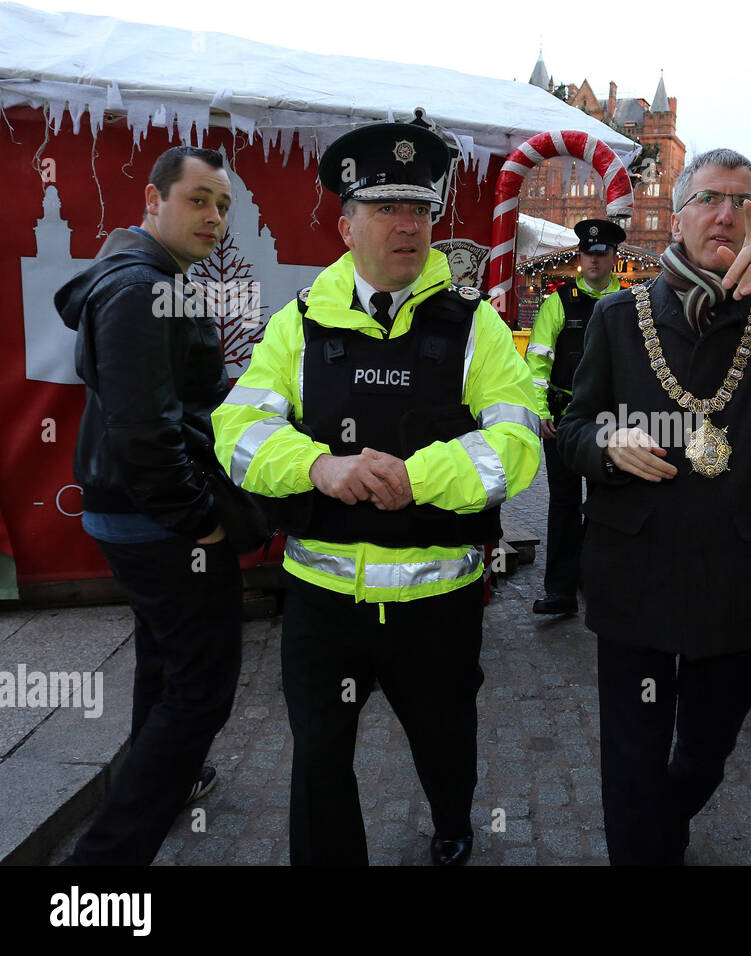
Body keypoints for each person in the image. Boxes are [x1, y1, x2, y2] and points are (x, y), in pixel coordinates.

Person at [212, 119, 541, 865]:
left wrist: (416, 477)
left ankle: (453, 823)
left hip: (439, 608)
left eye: (421, 210)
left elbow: (518, 445)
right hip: (324, 608)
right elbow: (236, 429)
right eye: (388, 209)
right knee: (319, 767)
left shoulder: (475, 327)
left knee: (446, 741)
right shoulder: (296, 326)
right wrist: (317, 466)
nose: (409, 226)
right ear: (345, 223)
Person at [557, 148, 751, 864]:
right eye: (712, 198)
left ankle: (666, 820)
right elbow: (570, 427)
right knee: (633, 750)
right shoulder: (621, 316)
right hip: (638, 562)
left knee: (710, 746)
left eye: (745, 201)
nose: (728, 213)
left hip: (742, 570)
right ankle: (642, 850)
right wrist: (605, 443)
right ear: (679, 215)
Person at [54, 146, 242, 865]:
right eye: (198, 199)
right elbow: (145, 431)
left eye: (222, 205)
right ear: (153, 200)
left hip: (131, 510)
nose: (214, 217)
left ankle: (173, 775)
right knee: (200, 691)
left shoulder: (148, 278)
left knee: (165, 663)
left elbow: (167, 400)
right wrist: (204, 521)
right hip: (156, 519)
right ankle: (98, 872)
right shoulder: (139, 288)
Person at [526, 219, 625, 616]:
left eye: (601, 255)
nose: (593, 261)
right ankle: (561, 591)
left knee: (606, 505)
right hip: (564, 419)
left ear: (614, 258)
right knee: (564, 506)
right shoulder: (558, 302)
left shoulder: (633, 303)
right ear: (579, 257)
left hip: (614, 423)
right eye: (588, 254)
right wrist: (539, 411)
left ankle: (598, 580)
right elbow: (537, 362)